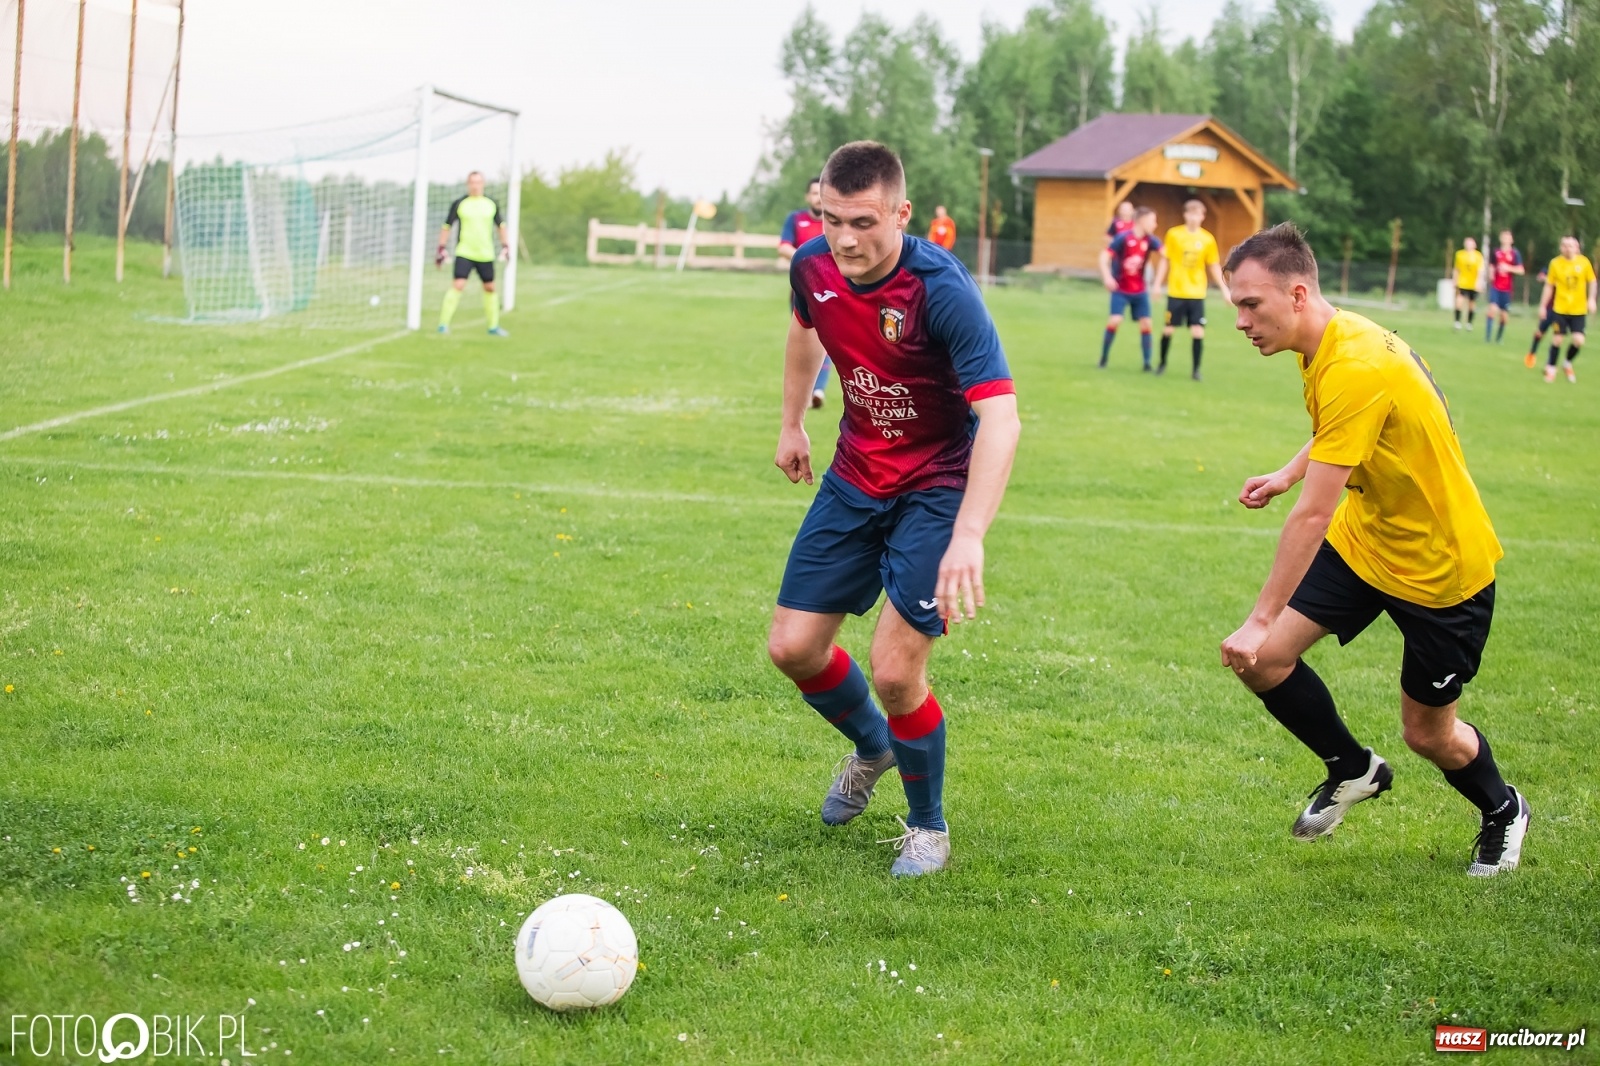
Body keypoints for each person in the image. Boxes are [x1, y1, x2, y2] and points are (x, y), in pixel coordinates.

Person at [1220, 222, 1529, 878]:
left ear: (1298, 294)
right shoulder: (1328, 340)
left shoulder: (1358, 361)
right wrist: (1287, 471)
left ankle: (1503, 809)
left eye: (1251, 304)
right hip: (1369, 542)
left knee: (1428, 735)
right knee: (1263, 662)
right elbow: (1345, 428)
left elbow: (1312, 519)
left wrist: (1260, 613)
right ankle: (1353, 768)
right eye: (1235, 306)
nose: (1241, 321)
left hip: (1440, 570)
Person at [768, 140, 1020, 878]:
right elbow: (802, 332)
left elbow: (1001, 417)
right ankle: (873, 748)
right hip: (855, 473)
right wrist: (791, 422)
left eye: (864, 221)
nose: (845, 238)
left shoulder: (940, 289)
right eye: (831, 218)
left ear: (902, 214)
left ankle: (927, 825)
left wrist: (969, 532)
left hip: (937, 485)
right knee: (792, 649)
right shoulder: (811, 265)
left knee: (895, 671)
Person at [1153, 199, 1229, 381]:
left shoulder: (1207, 239)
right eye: (1191, 214)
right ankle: (1162, 364)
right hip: (1176, 292)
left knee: (1197, 331)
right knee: (1168, 329)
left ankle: (1196, 371)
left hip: (1197, 293)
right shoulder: (1174, 234)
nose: (1194, 218)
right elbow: (1166, 260)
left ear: (1203, 217)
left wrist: (1225, 290)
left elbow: (1213, 265)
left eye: (1198, 214)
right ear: (1185, 215)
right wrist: (1157, 283)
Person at [778, 177, 833, 407]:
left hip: (830, 291)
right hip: (801, 291)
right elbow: (783, 247)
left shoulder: (835, 222)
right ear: (807, 196)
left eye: (821, 194)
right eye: (813, 193)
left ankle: (818, 389)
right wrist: (807, 262)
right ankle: (804, 391)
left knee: (828, 340)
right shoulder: (795, 219)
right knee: (802, 343)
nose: (817, 198)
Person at [435, 171, 511, 336]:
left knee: (490, 287)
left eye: (478, 182)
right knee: (458, 285)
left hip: (486, 253)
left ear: (483, 183)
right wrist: (441, 247)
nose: (475, 185)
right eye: (472, 182)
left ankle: (493, 326)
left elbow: (501, 226)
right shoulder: (460, 203)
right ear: (468, 184)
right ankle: (443, 324)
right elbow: (446, 226)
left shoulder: (491, 203)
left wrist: (506, 246)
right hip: (465, 252)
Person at [1098, 206, 1162, 370]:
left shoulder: (1151, 240)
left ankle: (1147, 364)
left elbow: (1166, 256)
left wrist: (1157, 284)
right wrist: (1107, 277)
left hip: (1139, 290)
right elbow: (1104, 257)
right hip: (1121, 289)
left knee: (1147, 323)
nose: (1155, 225)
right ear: (1142, 221)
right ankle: (1103, 358)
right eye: (1153, 221)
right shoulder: (1122, 238)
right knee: (1115, 320)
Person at [1536, 235, 1597, 383]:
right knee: (1557, 339)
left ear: (1577, 248)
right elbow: (1549, 286)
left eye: (1571, 245)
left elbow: (1592, 281)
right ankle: (1551, 369)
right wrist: (1543, 306)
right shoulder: (1555, 264)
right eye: (1565, 245)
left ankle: (1567, 363)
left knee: (1579, 340)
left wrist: (1591, 299)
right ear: (1561, 247)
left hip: (1578, 310)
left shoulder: (1584, 263)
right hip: (1560, 309)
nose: (1568, 248)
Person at [1484, 230, 1524, 343]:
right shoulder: (1496, 252)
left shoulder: (1515, 254)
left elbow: (1521, 270)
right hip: (1495, 287)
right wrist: (1491, 273)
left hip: (1507, 289)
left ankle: (1499, 338)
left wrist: (1508, 268)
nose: (1506, 239)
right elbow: (1491, 265)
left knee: (1504, 316)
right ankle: (1487, 339)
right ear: (1500, 238)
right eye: (1504, 237)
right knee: (1492, 310)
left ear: (1512, 240)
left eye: (1508, 237)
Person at [1451, 237, 1484, 330]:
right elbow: (1457, 269)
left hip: (1473, 283)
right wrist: (1455, 280)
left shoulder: (1478, 256)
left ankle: (1469, 323)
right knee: (1458, 301)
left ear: (1474, 245)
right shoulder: (1460, 254)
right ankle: (1457, 322)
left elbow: (1480, 270)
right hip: (1462, 283)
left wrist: (1479, 282)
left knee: (1471, 304)